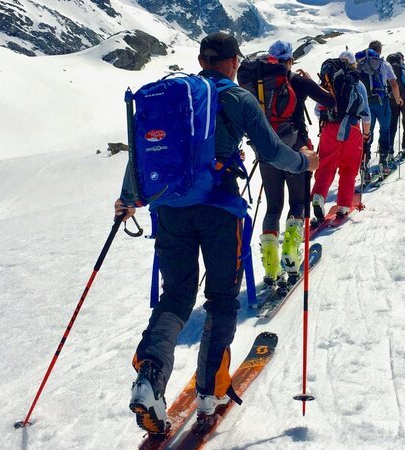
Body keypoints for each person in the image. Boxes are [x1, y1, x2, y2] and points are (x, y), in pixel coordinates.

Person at [116, 32, 319, 434]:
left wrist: (127, 199)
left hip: (169, 211)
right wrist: (304, 163)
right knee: (221, 299)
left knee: (176, 296)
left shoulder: (175, 98)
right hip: (220, 212)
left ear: (200, 58)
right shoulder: (237, 97)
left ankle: (150, 377)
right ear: (231, 61)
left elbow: (145, 152)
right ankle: (210, 391)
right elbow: (272, 151)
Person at [258, 40, 336, 285]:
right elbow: (331, 102)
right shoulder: (297, 81)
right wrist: (310, 81)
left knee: (273, 206)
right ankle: (291, 256)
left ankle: (270, 266)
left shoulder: (259, 83)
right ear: (290, 59)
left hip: (267, 150)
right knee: (298, 202)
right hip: (297, 147)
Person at [311, 51, 371, 220]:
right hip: (353, 131)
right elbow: (366, 114)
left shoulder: (328, 81)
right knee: (348, 169)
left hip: (329, 129)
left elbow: (317, 110)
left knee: (326, 165)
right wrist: (366, 133)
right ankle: (344, 206)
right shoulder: (358, 84)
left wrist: (330, 120)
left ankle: (319, 196)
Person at [358, 40, 402, 178]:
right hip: (382, 102)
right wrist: (397, 99)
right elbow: (394, 84)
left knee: (366, 135)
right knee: (385, 130)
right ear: (380, 51)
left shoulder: (360, 64)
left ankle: (364, 166)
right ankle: (384, 162)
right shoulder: (384, 64)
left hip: (366, 104)